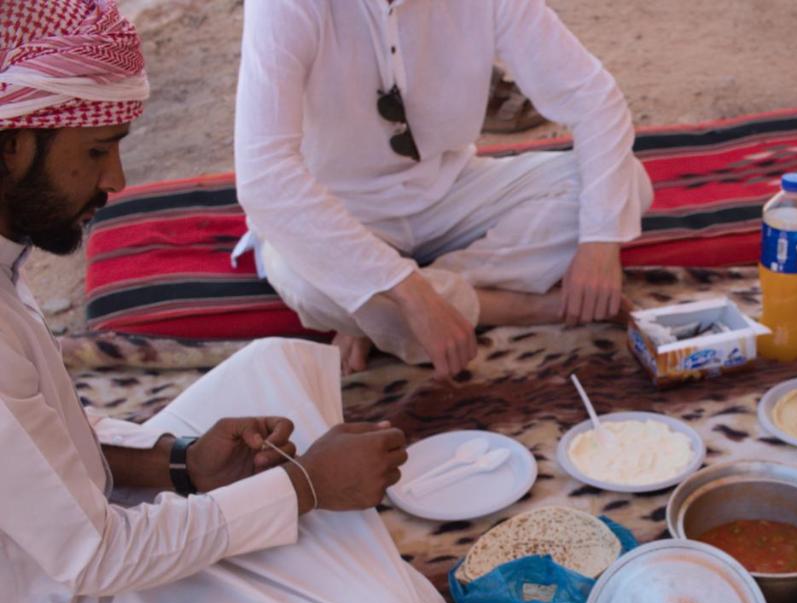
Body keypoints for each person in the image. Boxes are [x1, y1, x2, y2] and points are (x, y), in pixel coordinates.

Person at [0, 0, 456, 603]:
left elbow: (44, 446)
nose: (117, 181)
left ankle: (313, 557)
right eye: (98, 149)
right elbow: (95, 554)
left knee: (283, 363)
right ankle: (332, 566)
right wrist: (303, 489)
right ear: (13, 145)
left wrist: (181, 464)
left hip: (76, 540)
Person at [233, 0, 654, 377]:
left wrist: (599, 243)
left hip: (449, 190)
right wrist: (409, 293)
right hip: (338, 209)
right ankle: (516, 308)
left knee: (621, 186)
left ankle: (376, 317)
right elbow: (264, 175)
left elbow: (592, 98)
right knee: (306, 280)